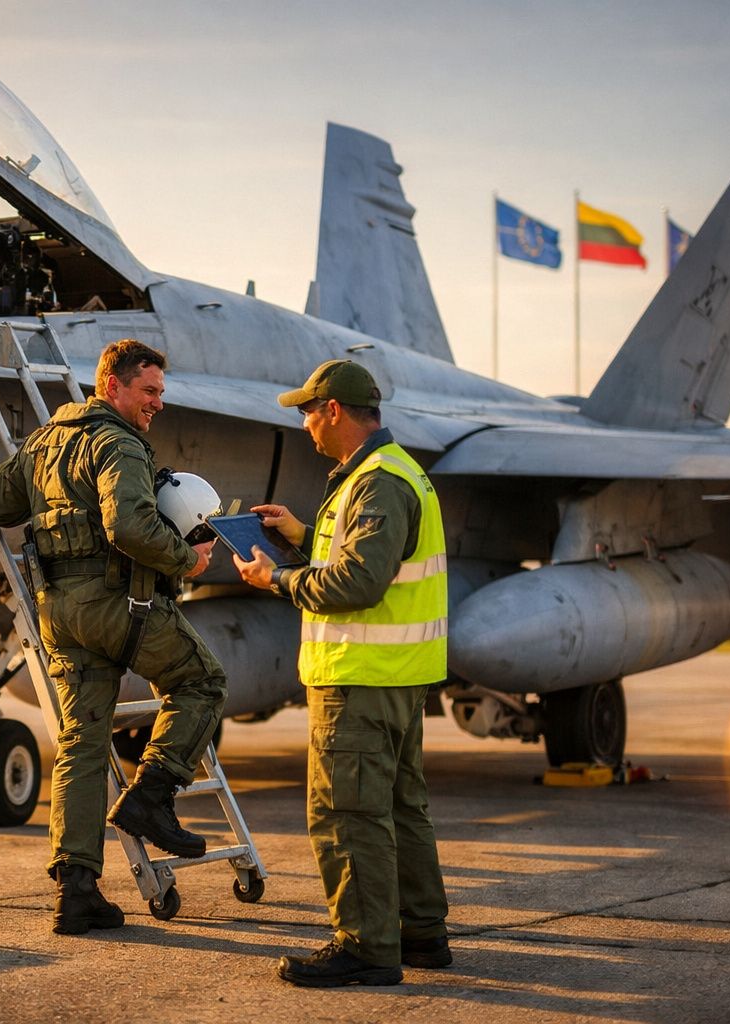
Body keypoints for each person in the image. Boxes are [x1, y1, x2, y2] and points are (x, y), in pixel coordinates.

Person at [0, 338, 227, 936]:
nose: (157, 403)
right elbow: (129, 524)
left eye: (160, 392)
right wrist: (185, 561)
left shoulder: (44, 441)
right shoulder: (120, 442)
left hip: (58, 612)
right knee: (203, 681)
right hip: (119, 606)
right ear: (112, 386)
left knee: (82, 746)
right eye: (149, 391)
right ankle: (152, 794)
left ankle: (77, 892)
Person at [233, 358, 451, 988]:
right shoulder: (387, 472)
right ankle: (420, 933)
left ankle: (366, 946)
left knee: (347, 814)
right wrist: (299, 535)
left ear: (333, 410)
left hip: (361, 677)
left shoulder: (377, 482)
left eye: (307, 410)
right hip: (395, 675)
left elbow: (357, 581)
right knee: (401, 808)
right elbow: (360, 560)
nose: (302, 424)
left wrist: (277, 577)